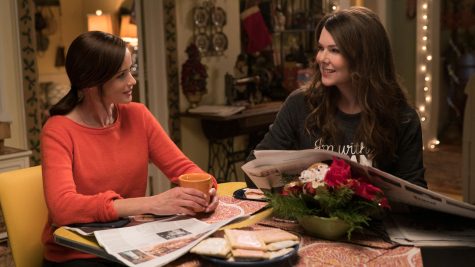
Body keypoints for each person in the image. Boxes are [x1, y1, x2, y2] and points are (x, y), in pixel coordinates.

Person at [41, 31, 219, 266]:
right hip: (79, 254)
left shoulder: (138, 115)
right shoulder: (58, 129)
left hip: (131, 241)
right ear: (92, 83)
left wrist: (206, 190)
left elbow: (183, 168)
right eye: (121, 75)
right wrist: (152, 203)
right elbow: (63, 208)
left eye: (131, 71)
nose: (132, 81)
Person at [245, 6, 427, 188]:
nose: (321, 58)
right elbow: (253, 170)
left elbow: (416, 194)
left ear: (364, 57)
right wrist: (298, 184)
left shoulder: (403, 118)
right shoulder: (300, 104)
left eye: (334, 50)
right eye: (320, 48)